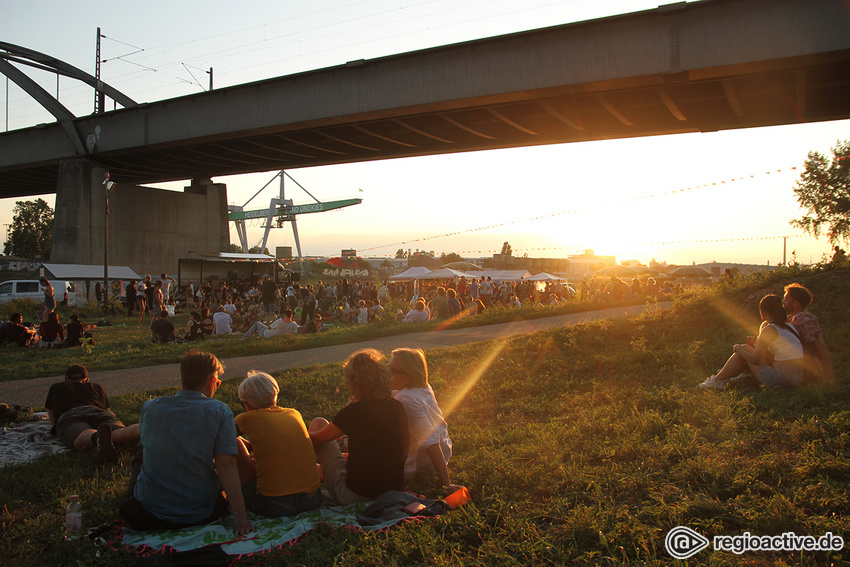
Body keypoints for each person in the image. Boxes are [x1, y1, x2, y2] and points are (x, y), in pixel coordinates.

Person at [118, 351, 254, 535]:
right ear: (210, 380)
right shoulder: (220, 412)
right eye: (218, 384)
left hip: (147, 514)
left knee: (143, 448)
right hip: (201, 514)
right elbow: (226, 464)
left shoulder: (150, 408)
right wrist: (240, 517)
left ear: (183, 378)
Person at [308, 349, 409, 505]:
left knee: (318, 423)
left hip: (355, 495)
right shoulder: (396, 407)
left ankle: (299, 477)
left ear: (353, 381)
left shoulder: (353, 412)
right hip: (392, 489)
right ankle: (318, 470)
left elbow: (316, 440)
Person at [234, 372, 324, 517]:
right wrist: (252, 446)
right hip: (313, 500)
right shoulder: (294, 413)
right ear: (275, 395)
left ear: (247, 403)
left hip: (275, 506)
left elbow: (222, 438)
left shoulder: (246, 418)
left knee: (234, 442)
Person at [699, 294, 804, 390]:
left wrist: (738, 348)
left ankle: (716, 380)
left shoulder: (770, 329)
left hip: (782, 380)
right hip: (797, 378)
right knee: (746, 348)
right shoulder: (788, 326)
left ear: (765, 312)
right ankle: (726, 378)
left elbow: (755, 359)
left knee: (743, 350)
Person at [44, 365, 140, 464]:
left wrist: (56, 427)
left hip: (71, 415)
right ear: (87, 380)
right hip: (98, 411)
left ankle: (96, 437)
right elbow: (106, 409)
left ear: (66, 380)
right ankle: (144, 429)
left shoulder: (57, 387)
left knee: (82, 434)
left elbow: (50, 411)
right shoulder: (96, 387)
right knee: (120, 432)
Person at [388, 348, 455, 489]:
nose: (386, 374)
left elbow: (431, 442)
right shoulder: (422, 387)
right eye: (387, 367)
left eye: (392, 370)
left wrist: (446, 483)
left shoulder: (406, 399)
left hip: (419, 464)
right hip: (444, 450)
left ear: (408, 377)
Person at [783, 283, 834, 382]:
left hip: (807, 368)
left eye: (786, 300)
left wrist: (829, 375)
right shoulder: (792, 318)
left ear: (796, 304)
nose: (783, 302)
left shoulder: (804, 320)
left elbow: (820, 346)